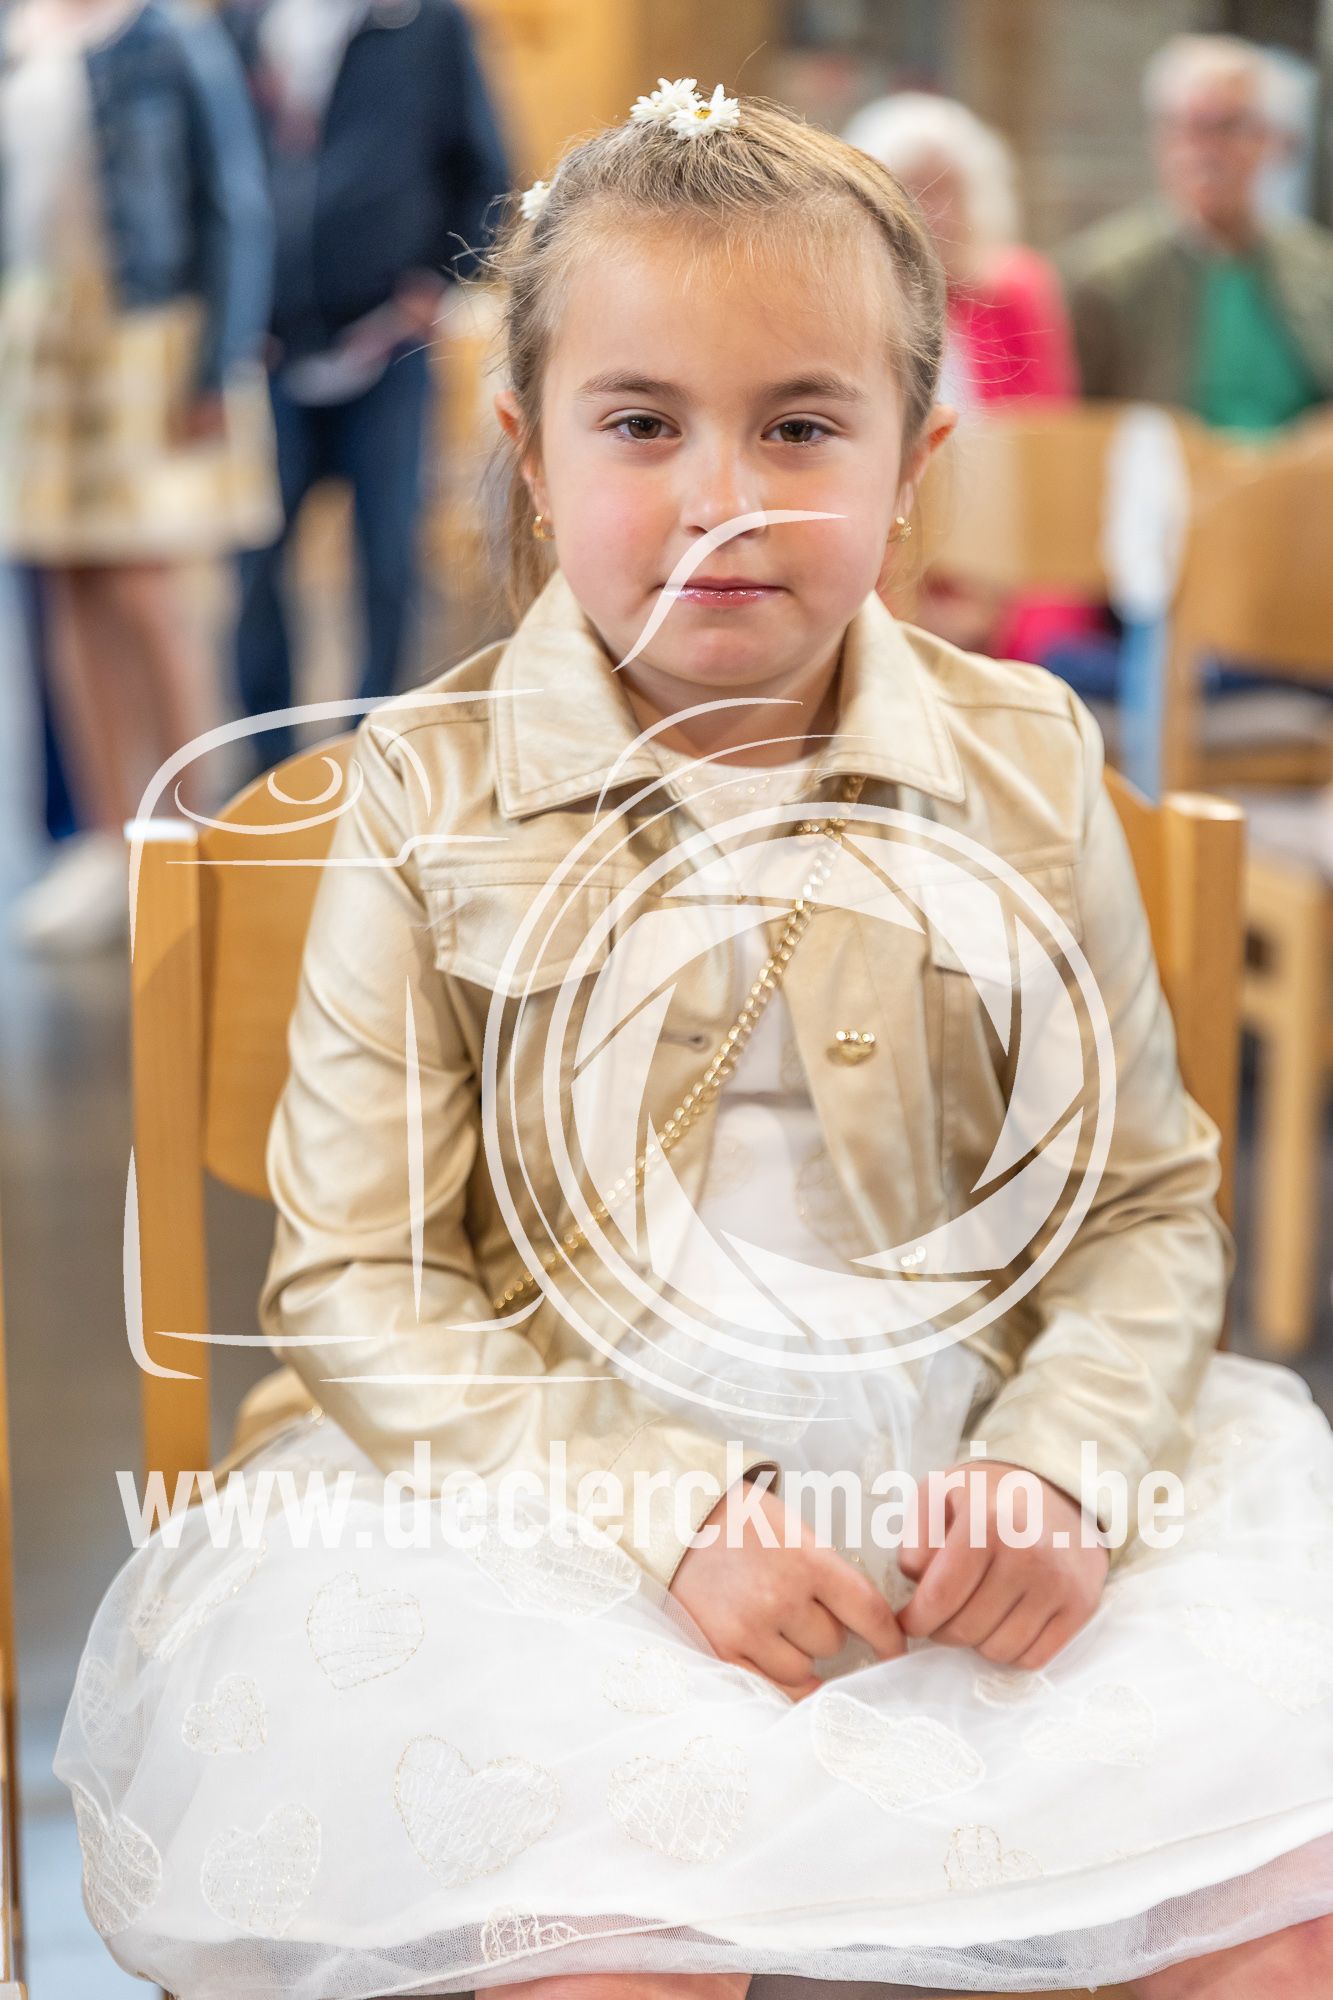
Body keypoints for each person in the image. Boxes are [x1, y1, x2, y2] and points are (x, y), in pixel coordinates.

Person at [54, 76, 1333, 2000]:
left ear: (911, 461)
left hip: (960, 1475)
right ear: (528, 450)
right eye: (641, 424)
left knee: (1267, 1907)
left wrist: (1064, 1468)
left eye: (799, 427)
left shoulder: (1021, 755)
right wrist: (664, 1513)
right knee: (607, 1930)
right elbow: (360, 1279)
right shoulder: (424, 791)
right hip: (531, 1504)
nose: (720, 498)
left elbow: (1139, 1207)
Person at [0, 0, 279, 955]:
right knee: (66, 587)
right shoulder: (18, 38)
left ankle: (192, 838)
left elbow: (234, 202)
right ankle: (109, 843)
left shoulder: (167, 38)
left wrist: (218, 364)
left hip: (147, 334)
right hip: (37, 336)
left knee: (145, 588)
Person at [220, 0, 512, 774]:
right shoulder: (242, 23)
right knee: (252, 569)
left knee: (388, 564)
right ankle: (268, 770)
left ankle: (374, 764)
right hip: (266, 355)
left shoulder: (421, 22)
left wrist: (437, 283)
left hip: (386, 346)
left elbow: (485, 167)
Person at [843, 91, 1094, 665]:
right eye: (914, 188)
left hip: (1016, 566)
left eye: (948, 189)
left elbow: (1049, 455)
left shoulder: (1021, 292)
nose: (933, 210)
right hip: (886, 562)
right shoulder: (850, 308)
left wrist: (994, 599)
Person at [1058, 33, 1333, 431]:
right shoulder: (1103, 279)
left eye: (1229, 127)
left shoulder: (1318, 269)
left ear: (1269, 139)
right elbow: (1076, 428)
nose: (1207, 150)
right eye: (1190, 127)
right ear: (1160, 140)